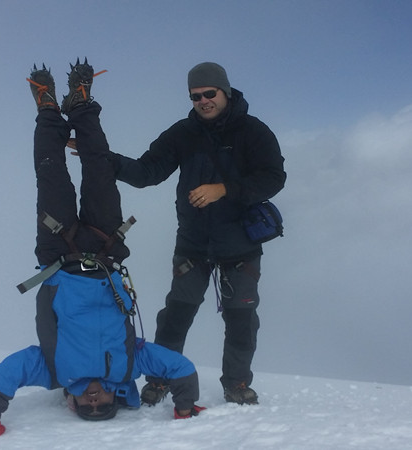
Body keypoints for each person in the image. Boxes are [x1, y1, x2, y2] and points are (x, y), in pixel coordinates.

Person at [0, 59, 203, 438]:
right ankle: (81, 103)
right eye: (103, 406)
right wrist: (185, 408)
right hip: (106, 248)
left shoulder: (54, 371)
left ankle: (47, 109)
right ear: (115, 397)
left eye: (87, 407)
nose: (94, 400)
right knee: (99, 168)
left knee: (51, 174)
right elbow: (179, 368)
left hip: (58, 254)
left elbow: (6, 375)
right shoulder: (129, 366)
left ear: (72, 402)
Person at [109, 62, 286, 406]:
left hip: (240, 244)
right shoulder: (183, 133)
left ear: (225, 91)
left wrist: (224, 189)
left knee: (241, 320)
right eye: (195, 96)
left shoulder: (253, 131)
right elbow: (147, 172)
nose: (203, 101)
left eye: (209, 93)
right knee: (176, 315)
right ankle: (161, 378)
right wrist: (103, 159)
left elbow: (273, 177)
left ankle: (236, 383)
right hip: (193, 242)